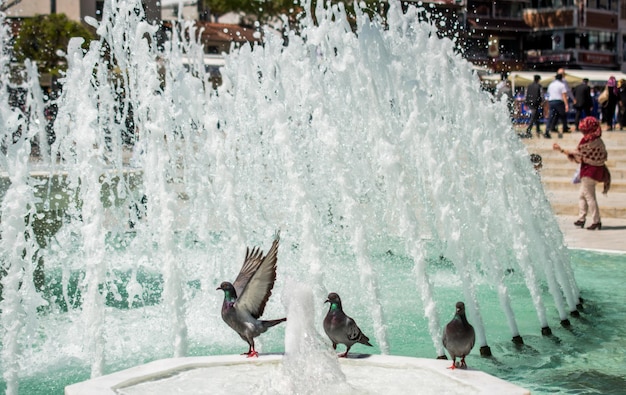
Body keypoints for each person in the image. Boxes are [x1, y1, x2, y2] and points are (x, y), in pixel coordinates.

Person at [553, 116, 610, 231]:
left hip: (588, 172)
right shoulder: (599, 140)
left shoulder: (587, 140)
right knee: (582, 195)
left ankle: (596, 221)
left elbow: (578, 155)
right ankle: (581, 218)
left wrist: (561, 150)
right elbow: (603, 156)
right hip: (598, 171)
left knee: (589, 197)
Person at [545, 73, 569, 138]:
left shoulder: (551, 85)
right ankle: (565, 128)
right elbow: (564, 95)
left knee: (551, 116)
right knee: (563, 116)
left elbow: (548, 94)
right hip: (559, 101)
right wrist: (566, 104)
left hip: (551, 101)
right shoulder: (562, 85)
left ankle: (547, 130)